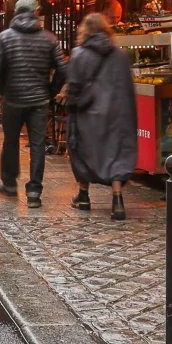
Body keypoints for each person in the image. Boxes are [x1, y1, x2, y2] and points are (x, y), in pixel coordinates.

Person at [0, 0, 63, 208]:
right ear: (35, 12)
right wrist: (51, 91)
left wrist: (2, 90)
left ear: (16, 13)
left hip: (13, 99)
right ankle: (34, 191)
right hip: (39, 100)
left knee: (10, 140)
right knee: (38, 144)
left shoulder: (4, 37)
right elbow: (63, 68)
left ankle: (10, 183)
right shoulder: (49, 38)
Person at [64, 12, 137, 218]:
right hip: (117, 114)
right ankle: (117, 200)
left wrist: (71, 102)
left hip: (88, 113)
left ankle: (83, 195)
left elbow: (74, 86)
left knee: (82, 151)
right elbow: (127, 86)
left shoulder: (79, 54)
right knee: (116, 155)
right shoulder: (120, 55)